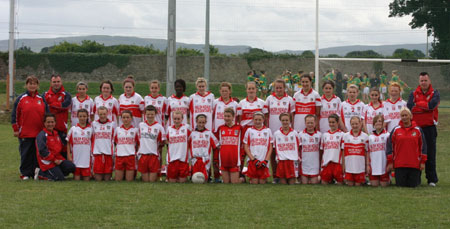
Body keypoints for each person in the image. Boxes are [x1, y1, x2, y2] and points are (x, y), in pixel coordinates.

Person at [11, 75, 47, 180]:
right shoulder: (21, 99)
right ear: (26, 85)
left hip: (39, 133)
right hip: (25, 132)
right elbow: (15, 115)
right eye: (30, 83)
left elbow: (46, 115)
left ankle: (36, 172)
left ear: (37, 85)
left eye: (34, 83)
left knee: (37, 154)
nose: (32, 86)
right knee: (26, 153)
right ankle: (25, 173)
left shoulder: (41, 99)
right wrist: (16, 129)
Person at [407, 72, 440, 186]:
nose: (424, 83)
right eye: (422, 81)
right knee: (416, 154)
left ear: (429, 81)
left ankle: (431, 179)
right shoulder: (413, 93)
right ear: (419, 81)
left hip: (430, 128)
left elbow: (432, 105)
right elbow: (410, 107)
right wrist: (425, 106)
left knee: (430, 154)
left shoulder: (435, 93)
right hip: (417, 128)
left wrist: (419, 106)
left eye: (425, 80)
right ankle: (416, 178)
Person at [386, 107, 427, 187]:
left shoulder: (418, 130)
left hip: (414, 164)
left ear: (411, 116)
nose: (404, 117)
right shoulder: (396, 130)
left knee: (413, 186)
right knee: (401, 186)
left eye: (406, 115)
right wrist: (390, 162)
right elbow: (390, 147)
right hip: (400, 165)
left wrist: (422, 162)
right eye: (402, 116)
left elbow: (423, 147)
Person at [265, 79, 295, 182]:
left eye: (280, 87)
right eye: (276, 87)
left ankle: (288, 175)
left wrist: (292, 129)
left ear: (284, 88)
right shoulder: (269, 99)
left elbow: (292, 116)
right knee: (273, 154)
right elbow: (266, 115)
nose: (278, 89)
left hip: (286, 132)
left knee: (286, 154)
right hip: (273, 130)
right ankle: (275, 176)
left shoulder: (290, 100)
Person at [237, 81, 268, 177]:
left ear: (256, 90)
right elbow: (239, 119)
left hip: (258, 130)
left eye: (253, 88)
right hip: (245, 130)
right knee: (242, 153)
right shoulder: (241, 103)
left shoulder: (262, 103)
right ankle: (240, 174)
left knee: (257, 152)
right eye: (249, 88)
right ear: (246, 90)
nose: (251, 90)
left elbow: (265, 118)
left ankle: (260, 172)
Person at [35, 113, 75, 181]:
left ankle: (58, 172)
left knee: (71, 167)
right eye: (48, 122)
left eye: (52, 122)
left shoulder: (56, 134)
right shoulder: (42, 135)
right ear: (44, 123)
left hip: (58, 159)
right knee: (59, 179)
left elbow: (62, 147)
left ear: (55, 123)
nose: (50, 124)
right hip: (48, 162)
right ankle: (40, 173)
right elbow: (42, 151)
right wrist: (54, 160)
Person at [212, 82, 238, 182]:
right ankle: (216, 176)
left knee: (229, 154)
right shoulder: (215, 102)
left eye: (226, 91)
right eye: (222, 91)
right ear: (220, 91)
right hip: (217, 132)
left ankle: (234, 173)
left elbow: (237, 118)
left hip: (230, 132)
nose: (224, 93)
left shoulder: (235, 104)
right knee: (216, 156)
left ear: (230, 91)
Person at [42, 74, 72, 158]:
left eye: (58, 81)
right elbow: (44, 108)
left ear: (61, 82)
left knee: (63, 150)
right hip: (49, 128)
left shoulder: (66, 95)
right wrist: (59, 106)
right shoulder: (45, 95)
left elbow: (65, 105)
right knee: (50, 150)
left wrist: (51, 106)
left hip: (61, 128)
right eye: (54, 82)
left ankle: (63, 170)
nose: (56, 83)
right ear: (51, 83)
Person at [137, 105, 166, 182]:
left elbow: (162, 143)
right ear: (145, 114)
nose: (150, 116)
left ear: (155, 114)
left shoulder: (159, 127)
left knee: (152, 180)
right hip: (143, 155)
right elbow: (138, 140)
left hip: (153, 156)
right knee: (146, 181)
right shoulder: (140, 125)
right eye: (148, 114)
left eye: (152, 114)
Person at [243, 112, 273, 184]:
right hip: (253, 160)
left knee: (262, 182)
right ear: (253, 120)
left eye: (260, 119)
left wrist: (266, 160)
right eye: (256, 119)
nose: (257, 121)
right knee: (255, 182)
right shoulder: (249, 130)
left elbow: (270, 147)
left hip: (263, 160)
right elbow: (246, 146)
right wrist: (253, 159)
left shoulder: (268, 131)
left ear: (263, 120)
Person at [189, 114, 219, 182]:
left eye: (203, 122)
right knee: (195, 178)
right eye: (199, 122)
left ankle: (209, 176)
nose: (201, 124)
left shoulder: (209, 133)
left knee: (204, 179)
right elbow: (186, 145)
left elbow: (216, 145)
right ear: (196, 121)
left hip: (205, 160)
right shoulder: (192, 134)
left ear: (205, 122)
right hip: (194, 160)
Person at [273, 113, 299, 185]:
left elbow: (298, 146)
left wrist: (297, 158)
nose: (285, 122)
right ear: (280, 121)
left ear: (290, 121)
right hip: (281, 161)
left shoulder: (295, 133)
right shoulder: (276, 134)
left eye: (287, 120)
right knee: (283, 183)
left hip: (291, 161)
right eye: (283, 120)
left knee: (291, 183)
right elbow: (275, 148)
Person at [217, 108, 242, 184]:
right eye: (225, 116)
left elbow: (242, 144)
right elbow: (217, 143)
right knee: (226, 182)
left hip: (234, 159)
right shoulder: (220, 128)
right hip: (224, 159)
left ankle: (242, 178)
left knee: (234, 182)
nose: (227, 118)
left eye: (229, 116)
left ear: (233, 117)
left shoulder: (239, 128)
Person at [342, 116, 369, 186]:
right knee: (350, 184)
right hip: (349, 167)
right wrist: (343, 165)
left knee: (358, 185)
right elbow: (343, 152)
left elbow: (366, 152)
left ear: (360, 124)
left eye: (356, 124)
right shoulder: (345, 136)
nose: (355, 126)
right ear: (350, 124)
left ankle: (364, 180)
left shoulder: (365, 136)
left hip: (360, 167)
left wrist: (367, 165)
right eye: (353, 124)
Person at [67, 109, 92, 181]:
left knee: (86, 180)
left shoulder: (90, 129)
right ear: (77, 117)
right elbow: (68, 142)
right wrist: (69, 155)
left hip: (86, 160)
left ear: (87, 117)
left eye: (84, 116)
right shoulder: (73, 129)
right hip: (76, 159)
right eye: (80, 116)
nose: (82, 118)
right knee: (76, 179)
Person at [166, 111, 191, 183]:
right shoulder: (169, 129)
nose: (176, 121)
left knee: (182, 181)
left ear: (182, 119)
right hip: (172, 159)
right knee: (172, 181)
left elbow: (191, 138)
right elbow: (166, 141)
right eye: (175, 119)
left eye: (178, 119)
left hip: (183, 159)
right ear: (172, 119)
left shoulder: (186, 128)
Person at [114, 110, 139, 181]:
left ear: (131, 118)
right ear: (121, 118)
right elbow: (115, 141)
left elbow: (138, 143)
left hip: (130, 156)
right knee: (118, 180)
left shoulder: (135, 130)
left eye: (128, 117)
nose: (126, 119)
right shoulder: (117, 129)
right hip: (119, 156)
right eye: (124, 117)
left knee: (129, 180)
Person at [91, 106, 116, 181]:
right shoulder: (94, 124)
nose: (102, 116)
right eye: (100, 114)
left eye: (104, 114)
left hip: (108, 154)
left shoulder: (112, 124)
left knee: (107, 179)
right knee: (98, 179)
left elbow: (115, 138)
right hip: (97, 154)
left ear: (107, 113)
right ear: (98, 114)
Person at [320, 114, 345, 185]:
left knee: (340, 183)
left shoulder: (342, 135)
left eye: (333, 122)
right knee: (324, 183)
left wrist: (343, 165)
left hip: (337, 162)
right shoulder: (325, 135)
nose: (331, 124)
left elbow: (343, 151)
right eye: (330, 122)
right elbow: (322, 150)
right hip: (327, 163)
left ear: (337, 123)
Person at [367, 115, 390, 187]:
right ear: (373, 124)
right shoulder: (370, 137)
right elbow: (368, 152)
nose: (378, 123)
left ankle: (389, 178)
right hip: (373, 165)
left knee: (384, 185)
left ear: (383, 123)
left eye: (380, 121)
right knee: (374, 185)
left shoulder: (387, 135)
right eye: (376, 121)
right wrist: (367, 165)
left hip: (384, 164)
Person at [299, 115, 322, 184]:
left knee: (314, 183)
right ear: (305, 123)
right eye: (308, 123)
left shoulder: (319, 135)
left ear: (315, 123)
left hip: (315, 164)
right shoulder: (300, 135)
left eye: (312, 123)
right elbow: (298, 149)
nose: (310, 125)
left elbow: (321, 151)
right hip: (304, 164)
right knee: (304, 183)